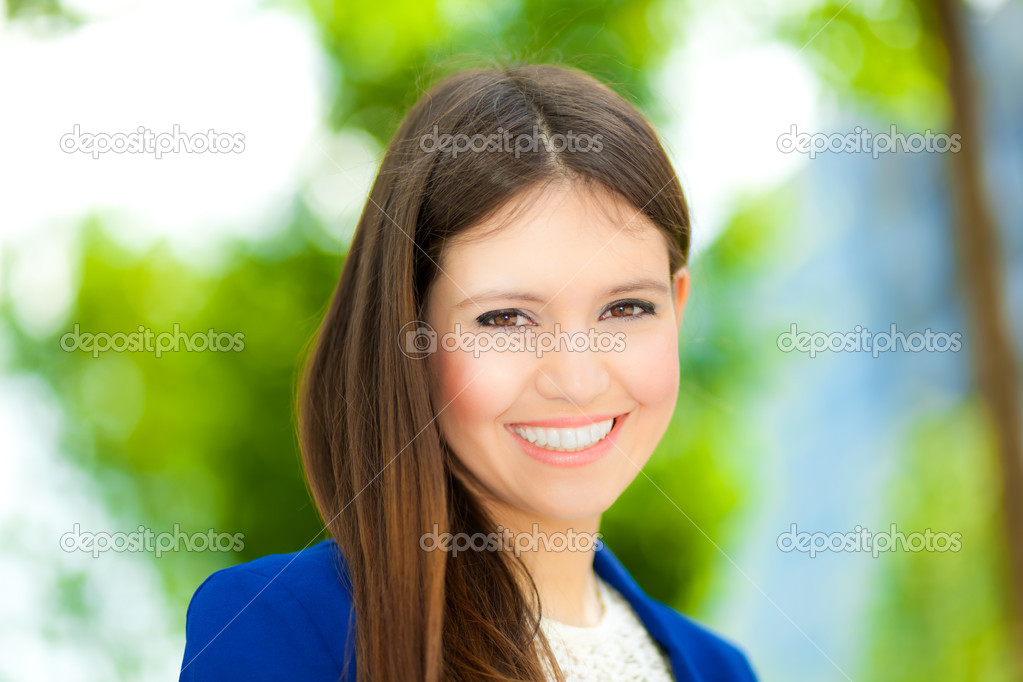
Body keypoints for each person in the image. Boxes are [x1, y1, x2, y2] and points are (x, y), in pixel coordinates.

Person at [179, 62, 758, 681]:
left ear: (678, 308)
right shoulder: (282, 628)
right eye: (506, 319)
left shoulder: (721, 669)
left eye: (625, 308)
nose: (579, 378)